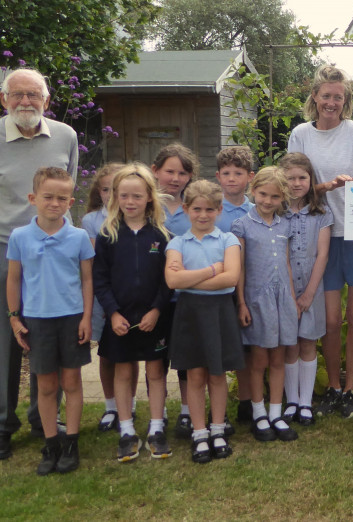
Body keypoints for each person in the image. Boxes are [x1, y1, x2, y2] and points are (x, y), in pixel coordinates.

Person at [0, 68, 78, 461]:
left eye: (34, 95)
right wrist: (3, 239)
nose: (25, 102)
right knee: (2, 339)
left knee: (49, 333)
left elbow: (67, 187)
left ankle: (43, 419)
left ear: (47, 100)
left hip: (55, 252)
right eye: (17, 94)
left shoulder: (65, 136)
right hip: (2, 249)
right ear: (3, 100)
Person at [287, 64, 353, 418]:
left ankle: (351, 390)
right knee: (329, 320)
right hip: (318, 235)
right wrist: (326, 187)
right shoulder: (300, 135)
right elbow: (294, 185)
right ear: (315, 97)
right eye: (325, 95)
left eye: (338, 97)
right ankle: (332, 387)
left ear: (346, 100)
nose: (331, 102)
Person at [6, 167, 94, 475]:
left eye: (62, 198)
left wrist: (86, 317)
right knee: (46, 385)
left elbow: (86, 280)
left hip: (71, 318)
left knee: (71, 382)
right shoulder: (19, 237)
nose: (54, 203)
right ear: (33, 199)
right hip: (37, 321)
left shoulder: (79, 237)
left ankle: (71, 441)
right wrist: (15, 318)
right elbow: (14, 279)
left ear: (71, 202)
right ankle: (50, 442)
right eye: (48, 197)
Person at [92, 164, 174, 462]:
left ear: (149, 198)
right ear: (115, 198)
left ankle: (156, 427)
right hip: (121, 320)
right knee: (123, 372)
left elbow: (169, 280)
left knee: (155, 372)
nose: (130, 202)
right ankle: (126, 430)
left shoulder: (163, 235)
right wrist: (113, 313)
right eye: (124, 195)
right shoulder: (107, 235)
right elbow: (100, 279)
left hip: (154, 319)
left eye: (137, 196)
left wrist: (156, 310)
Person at [164, 180, 243, 463]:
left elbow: (231, 279)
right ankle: (199, 432)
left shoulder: (228, 241)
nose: (203, 215)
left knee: (217, 373)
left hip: (219, 310)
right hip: (190, 313)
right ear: (186, 209)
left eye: (210, 209)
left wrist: (191, 278)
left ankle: (218, 428)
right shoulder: (177, 243)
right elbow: (173, 280)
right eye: (197, 209)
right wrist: (212, 270)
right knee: (195, 374)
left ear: (219, 210)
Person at [232, 168, 298, 443]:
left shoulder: (285, 225)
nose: (267, 201)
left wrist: (292, 299)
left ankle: (275, 413)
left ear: (282, 198)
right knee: (258, 360)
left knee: (278, 358)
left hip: (281, 299)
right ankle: (258, 412)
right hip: (256, 299)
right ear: (253, 191)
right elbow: (240, 269)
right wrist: (242, 303)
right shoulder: (242, 225)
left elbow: (285, 263)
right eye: (262, 194)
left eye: (274, 196)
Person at [150, 143, 202, 438]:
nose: (175, 178)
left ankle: (186, 410)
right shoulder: (146, 205)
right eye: (169, 171)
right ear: (155, 171)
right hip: (153, 296)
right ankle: (160, 413)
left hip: (186, 295)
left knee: (186, 357)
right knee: (156, 358)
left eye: (182, 172)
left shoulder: (192, 208)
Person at [82, 163, 136, 433]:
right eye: (106, 189)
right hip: (103, 295)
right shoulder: (92, 221)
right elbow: (94, 263)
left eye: (117, 189)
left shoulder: (136, 218)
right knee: (107, 354)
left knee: (129, 354)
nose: (112, 195)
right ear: (99, 192)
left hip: (129, 295)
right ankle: (110, 406)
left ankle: (131, 403)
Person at [279, 154, 332, 426]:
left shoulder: (321, 213)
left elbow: (322, 255)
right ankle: (291, 401)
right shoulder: (276, 213)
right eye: (290, 178)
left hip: (313, 285)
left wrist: (309, 293)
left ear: (311, 181)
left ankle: (305, 402)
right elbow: (281, 255)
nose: (297, 183)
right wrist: (291, 295)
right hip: (285, 288)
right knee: (290, 345)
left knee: (308, 343)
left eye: (302, 178)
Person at [213, 146, 256, 425]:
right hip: (217, 288)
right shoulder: (212, 210)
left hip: (249, 286)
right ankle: (216, 409)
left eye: (238, 173)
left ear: (249, 177)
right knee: (217, 347)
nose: (231, 179)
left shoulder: (256, 208)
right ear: (217, 176)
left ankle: (246, 401)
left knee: (247, 348)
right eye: (226, 173)